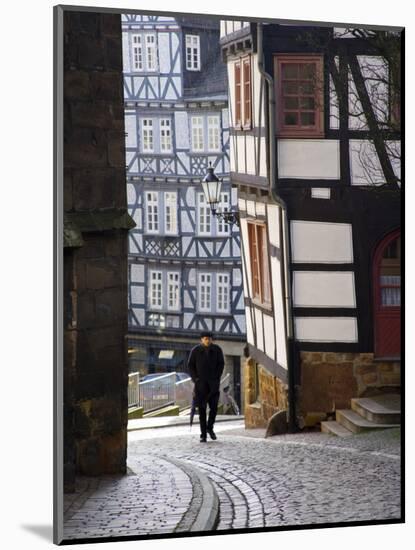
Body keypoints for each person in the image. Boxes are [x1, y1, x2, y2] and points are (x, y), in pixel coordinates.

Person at [187, 331, 224, 442]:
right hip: (201, 385)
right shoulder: (196, 351)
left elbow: (221, 364)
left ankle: (210, 428)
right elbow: (190, 365)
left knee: (214, 409)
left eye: (209, 338)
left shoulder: (217, 350)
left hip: (213, 385)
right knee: (202, 410)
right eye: (205, 339)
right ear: (201, 340)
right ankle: (203, 434)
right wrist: (196, 379)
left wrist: (217, 377)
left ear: (211, 340)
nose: (207, 340)